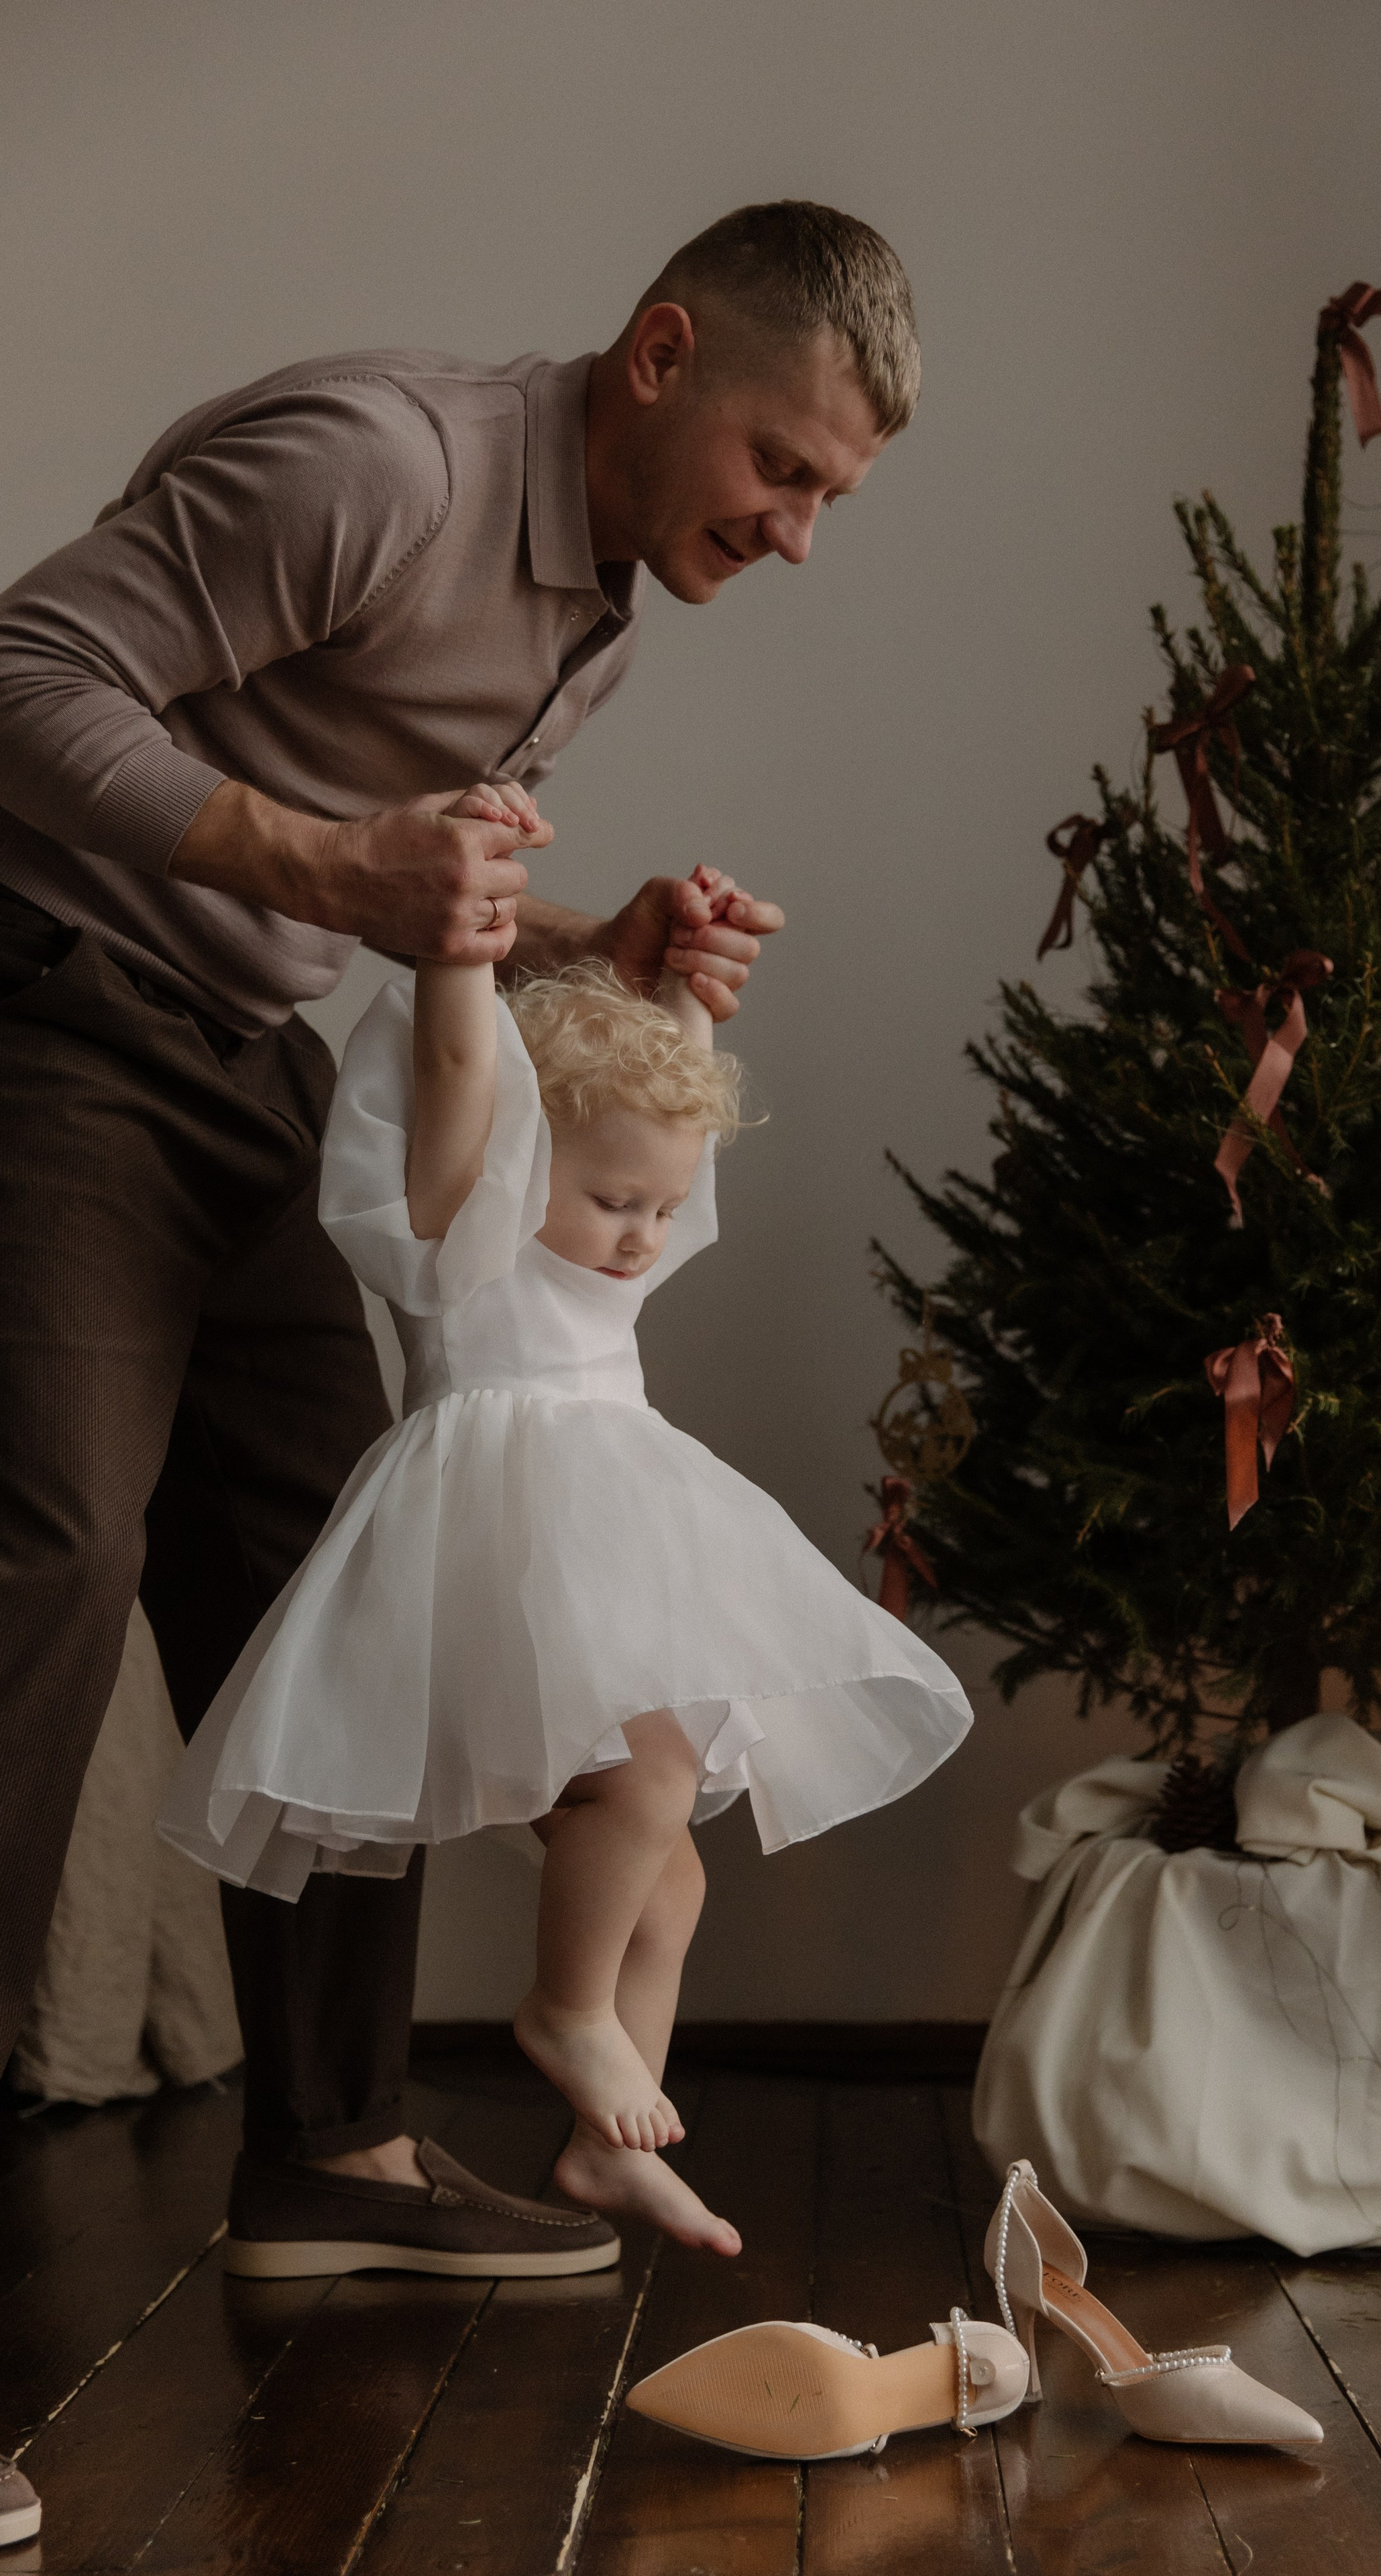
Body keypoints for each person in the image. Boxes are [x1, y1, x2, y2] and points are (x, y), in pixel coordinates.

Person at [0, 192, 919, 2369]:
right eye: (785, 471)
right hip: (44, 1014)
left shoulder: (594, 605)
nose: (799, 534)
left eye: (837, 502)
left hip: (231, 1054)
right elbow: (23, 672)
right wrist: (322, 867)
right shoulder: (382, 468)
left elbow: (410, 888)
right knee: (42, 1557)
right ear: (665, 353)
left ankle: (335, 2154)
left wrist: (585, 947)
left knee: (353, 1558)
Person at [160, 837, 972, 2253]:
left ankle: (606, 2146)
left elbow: (667, 1120)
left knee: (675, 1868)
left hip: (603, 1514)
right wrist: (459, 949)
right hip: (491, 1526)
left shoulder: (627, 1217)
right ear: (528, 1160)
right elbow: (465, 1074)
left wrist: (688, 1002)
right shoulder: (463, 1216)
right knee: (644, 1775)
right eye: (612, 1204)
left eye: (658, 1211)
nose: (640, 1237)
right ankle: (566, 2014)